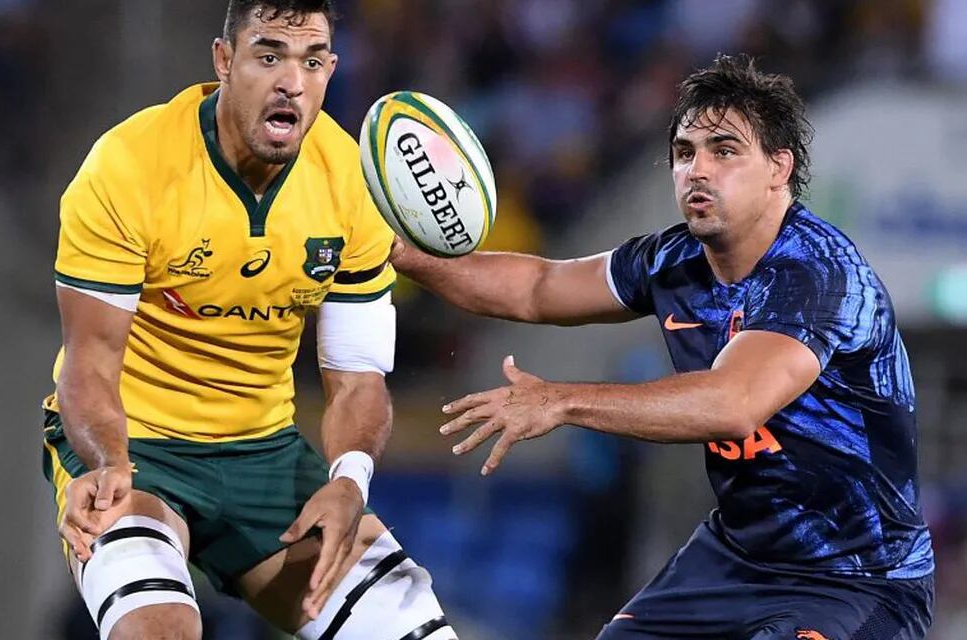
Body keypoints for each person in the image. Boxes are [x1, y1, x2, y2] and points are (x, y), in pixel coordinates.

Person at [390, 54, 934, 639]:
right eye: (684, 152)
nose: (697, 170)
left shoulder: (819, 274)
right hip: (734, 560)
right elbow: (537, 287)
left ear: (780, 168)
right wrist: (396, 253)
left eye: (724, 151)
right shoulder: (671, 260)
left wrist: (561, 401)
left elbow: (733, 404)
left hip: (857, 579)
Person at [41, 2, 457, 639]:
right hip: (135, 446)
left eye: (311, 60)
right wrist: (105, 462)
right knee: (156, 630)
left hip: (264, 452)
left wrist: (349, 480)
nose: (292, 80)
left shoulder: (352, 183)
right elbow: (90, 364)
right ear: (224, 60)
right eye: (269, 56)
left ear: (331, 70)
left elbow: (358, 380)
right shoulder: (129, 166)